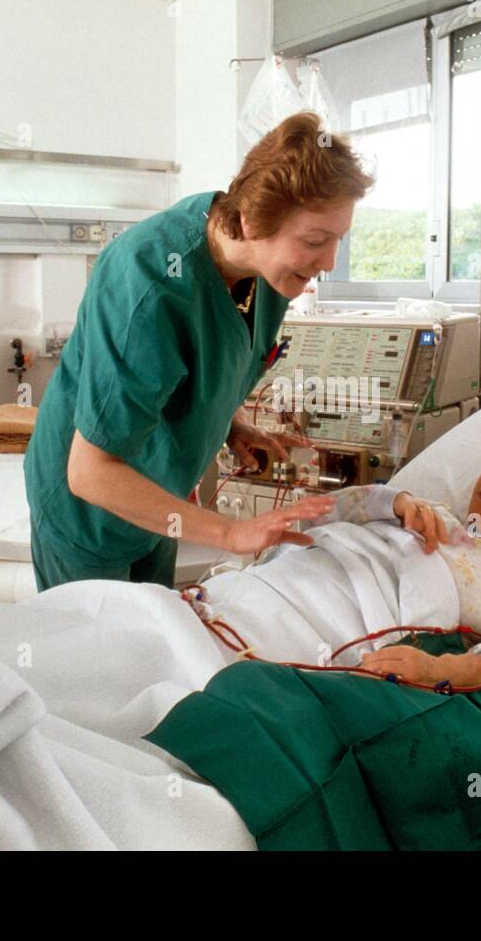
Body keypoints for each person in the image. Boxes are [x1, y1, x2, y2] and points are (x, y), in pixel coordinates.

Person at [25, 113, 373, 590]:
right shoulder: (151, 282)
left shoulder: (269, 273)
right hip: (87, 513)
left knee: (154, 644)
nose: (329, 262)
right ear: (251, 222)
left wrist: (228, 425)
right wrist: (232, 533)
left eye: (338, 240)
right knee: (95, 655)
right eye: (315, 241)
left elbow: (196, 362)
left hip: (157, 498)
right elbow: (90, 472)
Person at [304, 427, 481, 689]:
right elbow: (311, 516)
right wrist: (389, 501)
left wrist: (436, 670)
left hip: (335, 627)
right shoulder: (430, 511)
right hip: (301, 573)